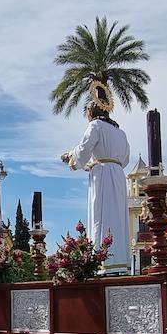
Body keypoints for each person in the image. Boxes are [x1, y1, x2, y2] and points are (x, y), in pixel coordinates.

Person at [61, 94, 130, 275]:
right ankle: (120, 263)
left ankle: (103, 263)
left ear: (91, 112)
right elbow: (126, 158)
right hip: (118, 174)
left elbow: (83, 150)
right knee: (118, 218)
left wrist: (70, 156)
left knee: (102, 215)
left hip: (103, 176)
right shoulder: (120, 133)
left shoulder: (95, 126)